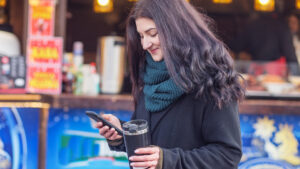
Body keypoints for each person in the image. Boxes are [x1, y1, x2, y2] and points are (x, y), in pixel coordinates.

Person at [95, 0, 244, 168]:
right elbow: (151, 144)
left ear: (175, 28)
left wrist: (167, 160)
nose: (145, 44)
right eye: (141, 36)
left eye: (152, 33)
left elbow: (227, 155)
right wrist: (122, 133)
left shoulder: (212, 79)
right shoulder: (149, 74)